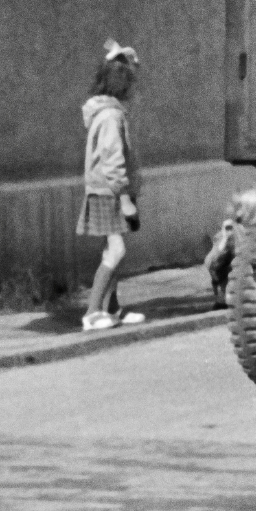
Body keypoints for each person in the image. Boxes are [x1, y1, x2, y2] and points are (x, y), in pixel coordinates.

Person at [79, 40, 146, 331]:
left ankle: (112, 308)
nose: (134, 88)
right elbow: (112, 159)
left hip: (107, 192)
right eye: (131, 82)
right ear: (121, 85)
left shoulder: (107, 113)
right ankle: (92, 313)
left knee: (111, 250)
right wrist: (125, 198)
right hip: (109, 193)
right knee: (116, 252)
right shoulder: (111, 117)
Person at [201, 183, 256, 309]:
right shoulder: (233, 233)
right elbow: (211, 264)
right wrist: (225, 240)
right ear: (249, 213)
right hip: (233, 302)